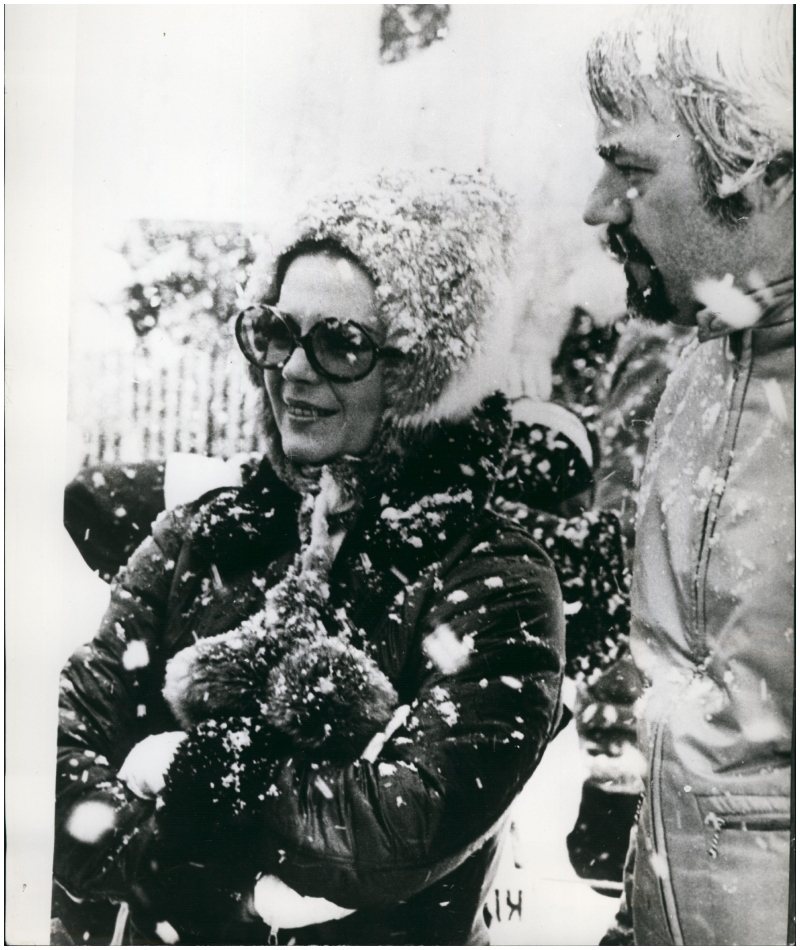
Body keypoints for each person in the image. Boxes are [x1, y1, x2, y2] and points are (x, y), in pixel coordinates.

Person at [53, 170, 567, 946]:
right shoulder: (200, 538)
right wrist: (166, 860)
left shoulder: (492, 579)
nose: (294, 368)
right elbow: (47, 748)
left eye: (341, 342)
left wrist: (198, 790)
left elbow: (400, 831)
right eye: (277, 331)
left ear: (419, 373)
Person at [582, 7, 794, 945]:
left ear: (767, 168)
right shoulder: (707, 364)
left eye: (630, 168)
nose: (597, 207)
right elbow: (716, 743)